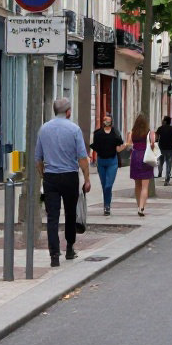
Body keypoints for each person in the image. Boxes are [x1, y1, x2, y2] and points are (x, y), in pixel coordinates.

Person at [35, 98, 91, 267]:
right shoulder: (74, 129)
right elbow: (82, 157)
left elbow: (38, 158)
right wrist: (87, 178)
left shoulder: (44, 129)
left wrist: (43, 176)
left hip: (51, 177)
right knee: (70, 214)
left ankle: (54, 255)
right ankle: (69, 248)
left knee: (52, 217)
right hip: (69, 176)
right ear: (68, 112)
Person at [89, 116, 126, 216]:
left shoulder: (115, 133)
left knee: (108, 185)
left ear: (111, 121)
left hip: (112, 162)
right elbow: (95, 147)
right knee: (104, 185)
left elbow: (118, 149)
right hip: (101, 162)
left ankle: (107, 205)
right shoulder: (98, 133)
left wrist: (126, 145)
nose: (107, 121)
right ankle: (106, 206)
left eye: (108, 120)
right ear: (103, 121)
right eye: (105, 119)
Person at [125, 114, 154, 216]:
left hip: (135, 156)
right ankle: (141, 207)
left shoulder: (132, 133)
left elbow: (128, 145)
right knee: (145, 186)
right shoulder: (149, 132)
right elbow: (153, 144)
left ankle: (138, 205)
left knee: (137, 185)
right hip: (146, 157)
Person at [154, 116, 172, 185]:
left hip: (162, 148)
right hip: (170, 148)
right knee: (168, 164)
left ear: (165, 121)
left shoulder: (160, 128)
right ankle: (167, 180)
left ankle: (160, 170)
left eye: (163, 120)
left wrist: (156, 141)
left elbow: (156, 136)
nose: (162, 121)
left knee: (160, 161)